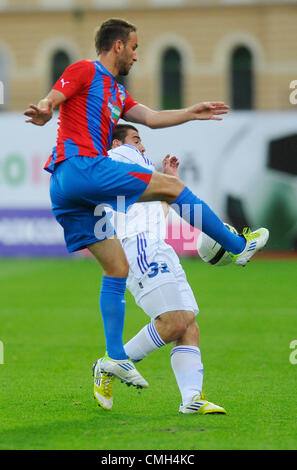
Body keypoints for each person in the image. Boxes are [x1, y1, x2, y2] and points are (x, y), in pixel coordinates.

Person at [24, 18, 269, 391]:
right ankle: (238, 246)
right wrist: (44, 109)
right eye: (135, 48)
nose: (137, 56)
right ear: (118, 45)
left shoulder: (118, 94)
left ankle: (115, 358)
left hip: (64, 188)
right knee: (171, 186)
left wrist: (191, 112)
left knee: (116, 267)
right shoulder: (85, 70)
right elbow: (55, 96)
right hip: (83, 166)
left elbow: (151, 118)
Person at [93, 123, 226, 414]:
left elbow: (160, 209)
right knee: (174, 321)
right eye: (136, 139)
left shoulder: (137, 173)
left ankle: (191, 399)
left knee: (188, 323)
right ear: (117, 144)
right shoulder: (118, 158)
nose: (142, 146)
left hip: (160, 246)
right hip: (138, 245)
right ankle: (109, 363)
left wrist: (170, 181)